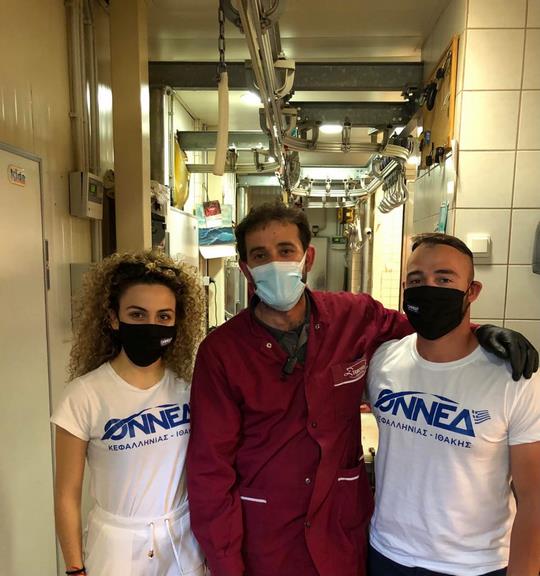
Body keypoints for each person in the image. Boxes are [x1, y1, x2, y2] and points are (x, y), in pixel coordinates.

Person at [186, 203, 538, 576]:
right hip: (266, 538)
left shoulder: (353, 317)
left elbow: (430, 328)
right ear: (245, 269)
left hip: (342, 536)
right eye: (260, 255)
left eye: (286, 250)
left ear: (308, 258)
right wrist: (226, 564)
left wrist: (482, 333)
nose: (274, 263)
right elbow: (210, 468)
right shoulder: (222, 351)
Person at [366, 233, 540, 576]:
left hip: (475, 565)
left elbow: (533, 495)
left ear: (471, 291)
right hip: (386, 553)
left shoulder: (513, 377)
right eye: (417, 280)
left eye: (444, 279)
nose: (428, 288)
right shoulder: (383, 360)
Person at [52, 251, 206, 576]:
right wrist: (75, 569)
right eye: (137, 314)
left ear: (177, 322)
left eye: (163, 316)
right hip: (116, 547)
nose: (151, 325)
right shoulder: (83, 396)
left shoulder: (189, 389)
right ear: (113, 318)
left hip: (181, 541)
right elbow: (66, 494)